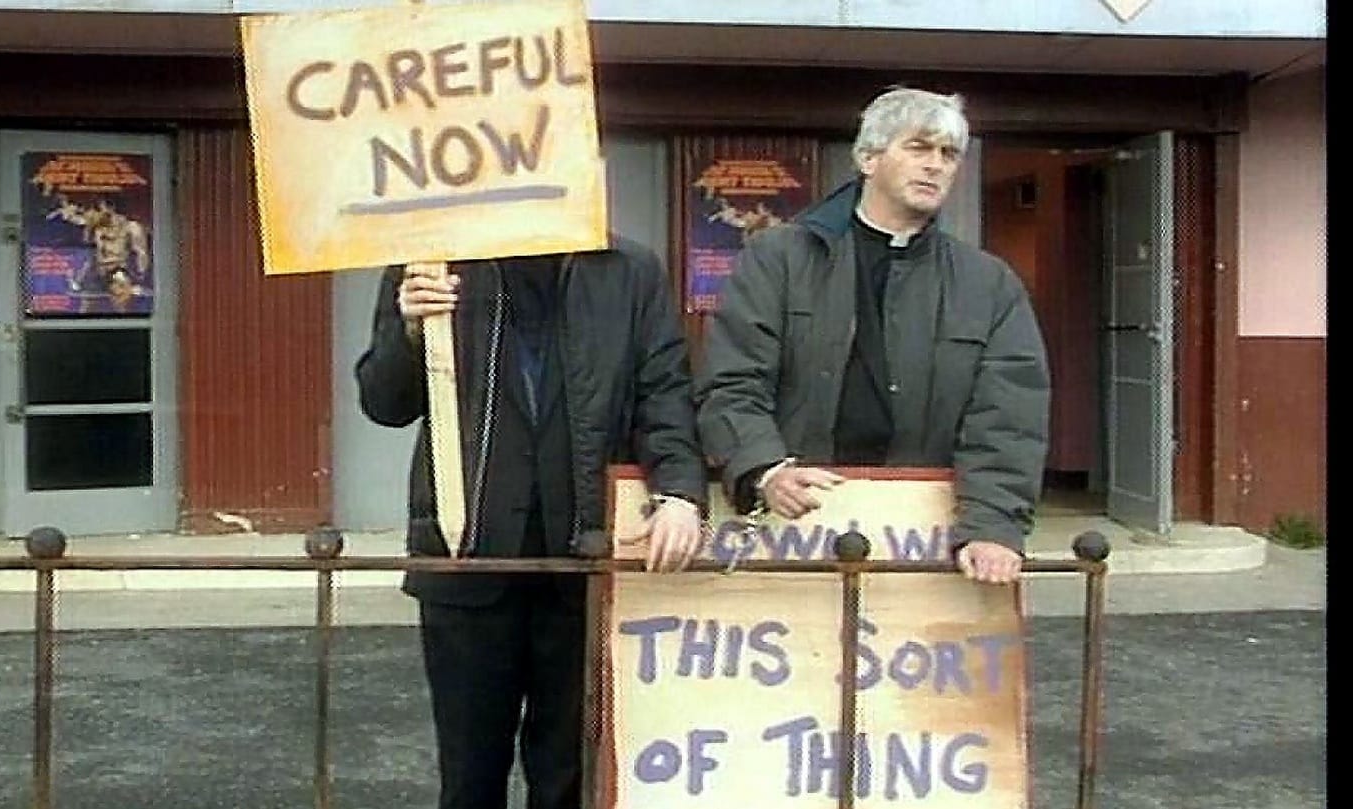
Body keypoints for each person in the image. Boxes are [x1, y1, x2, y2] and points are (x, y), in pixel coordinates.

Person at [355, 237, 707, 809]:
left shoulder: (629, 269)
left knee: (571, 773)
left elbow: (663, 393)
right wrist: (408, 327)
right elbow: (385, 404)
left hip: (585, 557)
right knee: (470, 775)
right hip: (466, 555)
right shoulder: (435, 258)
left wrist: (681, 494)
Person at [694, 86, 1050, 586]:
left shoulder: (987, 283)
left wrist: (992, 524)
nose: (935, 165)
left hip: (922, 531)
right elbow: (731, 381)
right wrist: (765, 468)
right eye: (918, 147)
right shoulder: (779, 259)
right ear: (868, 157)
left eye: (949, 154)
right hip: (796, 524)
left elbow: (1008, 419)